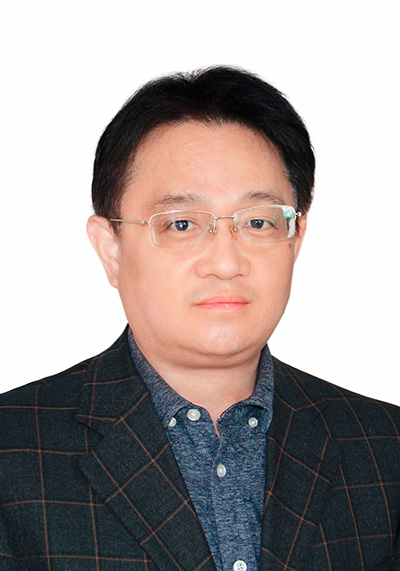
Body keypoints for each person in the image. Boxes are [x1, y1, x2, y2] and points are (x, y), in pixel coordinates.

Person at [0, 67, 399, 571]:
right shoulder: (13, 451)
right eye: (183, 224)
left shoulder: (384, 447)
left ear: (295, 239)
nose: (226, 263)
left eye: (258, 221)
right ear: (111, 249)